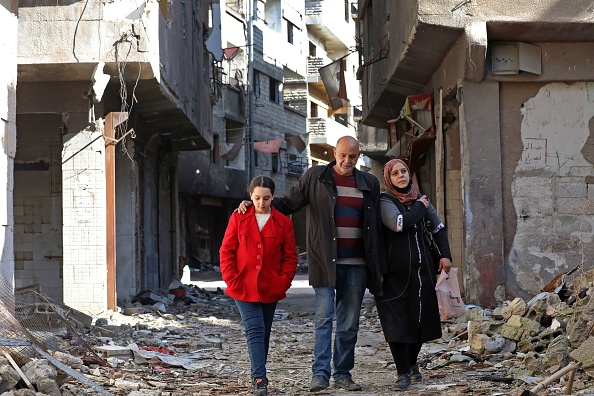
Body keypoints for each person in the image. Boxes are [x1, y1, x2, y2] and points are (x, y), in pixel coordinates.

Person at [239, 136, 386, 392]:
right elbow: (286, 204)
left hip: (358, 263)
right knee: (324, 319)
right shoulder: (315, 177)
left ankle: (343, 373)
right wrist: (254, 205)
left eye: (352, 156)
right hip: (324, 262)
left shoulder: (369, 182)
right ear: (334, 153)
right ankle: (320, 374)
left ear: (359, 155)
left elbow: (376, 227)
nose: (347, 161)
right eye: (342, 155)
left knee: (349, 322)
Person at [377, 158, 452, 390]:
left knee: (421, 322)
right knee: (397, 325)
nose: (401, 176)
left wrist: (445, 255)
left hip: (423, 273)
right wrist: (420, 206)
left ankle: (411, 363)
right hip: (394, 276)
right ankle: (402, 373)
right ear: (388, 178)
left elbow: (438, 228)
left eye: (405, 171)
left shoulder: (419, 198)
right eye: (396, 173)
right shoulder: (385, 201)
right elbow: (399, 223)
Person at [220, 176, 298, 396]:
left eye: (266, 198)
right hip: (242, 286)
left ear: (273, 197)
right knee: (254, 330)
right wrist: (231, 279)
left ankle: (258, 374)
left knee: (264, 333)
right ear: (250, 196)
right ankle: (260, 379)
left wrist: (283, 282)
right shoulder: (239, 217)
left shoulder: (284, 223)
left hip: (271, 287)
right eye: (256, 198)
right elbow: (226, 251)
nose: (261, 203)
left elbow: (290, 258)